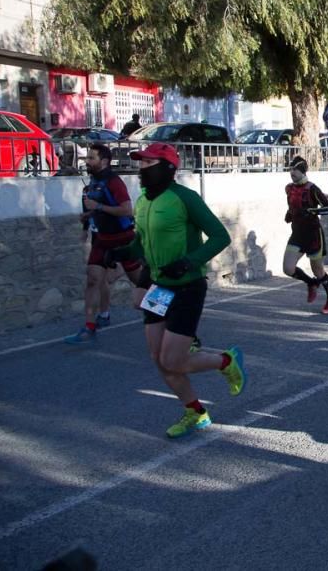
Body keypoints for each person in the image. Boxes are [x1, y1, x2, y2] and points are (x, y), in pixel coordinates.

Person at [117, 143, 244, 439]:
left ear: (166, 167)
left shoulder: (185, 198)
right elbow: (142, 240)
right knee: (159, 359)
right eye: (140, 163)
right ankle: (196, 412)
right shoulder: (143, 201)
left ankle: (225, 361)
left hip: (187, 287)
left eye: (147, 163)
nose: (141, 169)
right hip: (158, 287)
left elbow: (219, 236)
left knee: (172, 360)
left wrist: (190, 261)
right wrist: (123, 251)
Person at [66, 145, 144, 344]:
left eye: (92, 158)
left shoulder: (114, 181)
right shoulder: (93, 182)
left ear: (105, 161)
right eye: (88, 157)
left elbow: (127, 210)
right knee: (93, 280)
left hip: (123, 239)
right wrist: (88, 216)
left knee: (141, 282)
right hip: (102, 240)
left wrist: (98, 207)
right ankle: (89, 327)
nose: (87, 161)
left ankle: (168, 311)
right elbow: (99, 208)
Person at [283, 156, 328, 313]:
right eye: (290, 169)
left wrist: (311, 212)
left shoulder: (312, 188)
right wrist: (289, 214)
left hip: (313, 235)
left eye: (295, 170)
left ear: (302, 171)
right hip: (297, 234)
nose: (291, 172)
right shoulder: (289, 188)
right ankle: (310, 283)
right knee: (288, 268)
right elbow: (292, 205)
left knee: (318, 271)